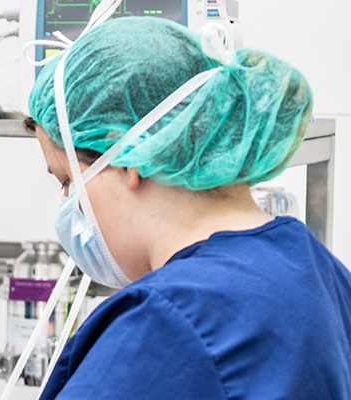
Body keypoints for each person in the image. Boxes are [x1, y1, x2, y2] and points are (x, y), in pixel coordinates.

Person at [26, 17, 351, 399]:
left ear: (128, 157)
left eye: (68, 180)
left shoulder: (164, 325)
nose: (69, 206)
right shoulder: (322, 273)